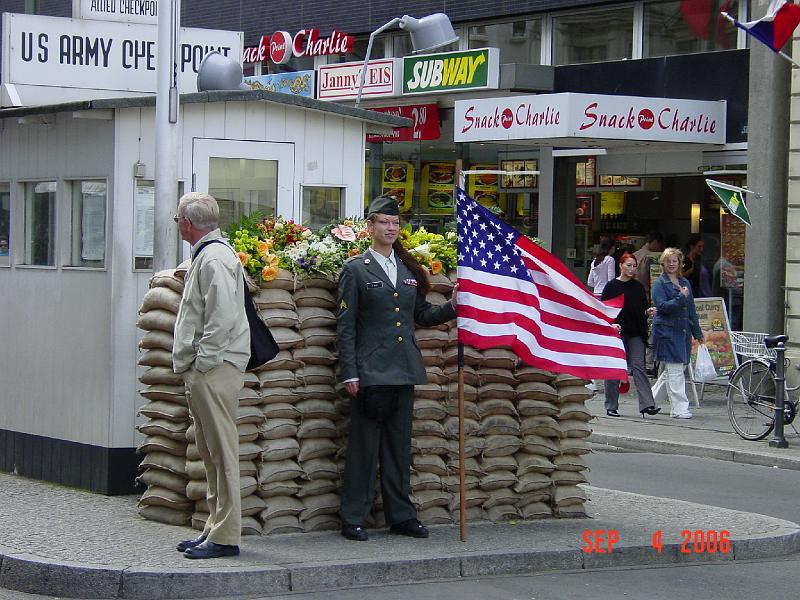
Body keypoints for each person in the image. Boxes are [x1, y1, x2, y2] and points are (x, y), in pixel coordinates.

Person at [336, 195, 458, 542]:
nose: (391, 228)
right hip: (371, 373)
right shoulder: (356, 269)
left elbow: (420, 316)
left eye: (395, 223)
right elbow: (346, 326)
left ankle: (401, 516)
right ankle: (353, 517)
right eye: (384, 223)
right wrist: (351, 372)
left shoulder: (408, 272)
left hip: (403, 370)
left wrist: (453, 307)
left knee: (398, 448)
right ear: (370, 227)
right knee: (363, 449)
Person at [172, 192, 250, 559]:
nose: (177, 225)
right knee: (210, 453)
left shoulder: (215, 258)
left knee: (222, 452)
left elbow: (221, 318)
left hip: (215, 369)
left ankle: (227, 536)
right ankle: (214, 529)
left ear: (188, 223)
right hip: (208, 368)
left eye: (177, 220)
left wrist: (202, 362)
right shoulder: (209, 254)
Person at [601, 253, 661, 418]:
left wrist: (647, 312)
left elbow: (642, 309)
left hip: (635, 332)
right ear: (620, 265)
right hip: (617, 332)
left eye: (634, 266)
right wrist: (611, 324)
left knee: (638, 366)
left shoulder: (638, 287)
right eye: (628, 265)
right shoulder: (611, 286)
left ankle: (648, 404)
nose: (632, 269)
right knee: (614, 367)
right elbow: (603, 310)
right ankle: (611, 405)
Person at [651, 247, 704, 419]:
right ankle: (680, 408)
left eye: (675, 261)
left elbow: (691, 310)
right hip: (667, 331)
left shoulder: (685, 283)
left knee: (675, 369)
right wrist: (680, 297)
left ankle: (649, 401)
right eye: (668, 261)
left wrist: (698, 333)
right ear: (663, 264)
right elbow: (662, 307)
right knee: (675, 371)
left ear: (680, 263)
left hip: (682, 332)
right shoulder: (659, 284)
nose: (672, 264)